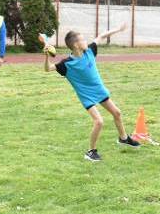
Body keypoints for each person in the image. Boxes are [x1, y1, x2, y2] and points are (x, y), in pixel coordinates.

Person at [43, 23, 140, 161]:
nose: (85, 42)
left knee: (117, 113)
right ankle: (91, 152)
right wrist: (46, 56)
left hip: (99, 91)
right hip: (86, 96)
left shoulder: (90, 51)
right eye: (82, 40)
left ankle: (123, 138)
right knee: (99, 121)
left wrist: (118, 29)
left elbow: (101, 36)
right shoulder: (66, 64)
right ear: (76, 45)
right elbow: (48, 68)